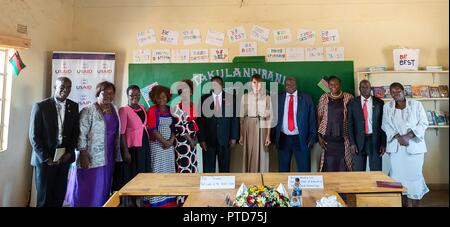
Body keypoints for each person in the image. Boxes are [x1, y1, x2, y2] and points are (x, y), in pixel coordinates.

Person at [66, 81, 122, 207]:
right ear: (97, 94)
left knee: (103, 186)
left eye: (111, 93)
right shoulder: (88, 111)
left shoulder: (114, 110)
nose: (108, 96)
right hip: (90, 156)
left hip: (108, 155)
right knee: (88, 186)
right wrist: (83, 154)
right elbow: (81, 134)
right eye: (104, 93)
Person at [29, 77, 79, 207]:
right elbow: (34, 136)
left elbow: (75, 133)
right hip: (45, 160)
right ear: (55, 87)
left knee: (59, 196)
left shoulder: (73, 106)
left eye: (69, 87)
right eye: (62, 87)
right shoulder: (40, 106)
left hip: (63, 159)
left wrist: (68, 153)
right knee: (44, 199)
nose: (65, 90)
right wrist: (46, 158)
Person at [381, 82, 429, 207]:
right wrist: (398, 137)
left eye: (398, 91)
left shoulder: (416, 104)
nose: (396, 94)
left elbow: (424, 123)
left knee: (415, 179)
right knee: (398, 180)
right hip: (397, 151)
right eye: (393, 92)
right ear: (390, 93)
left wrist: (408, 136)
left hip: (414, 149)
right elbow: (385, 125)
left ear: (404, 91)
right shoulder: (387, 107)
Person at [274, 77, 317, 172]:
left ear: (296, 85)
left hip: (301, 138)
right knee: (283, 170)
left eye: (292, 84)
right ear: (284, 86)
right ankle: (284, 186)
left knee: (304, 169)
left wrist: (313, 137)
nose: (290, 87)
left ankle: (304, 187)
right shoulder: (278, 98)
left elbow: (312, 118)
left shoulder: (306, 98)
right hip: (283, 138)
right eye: (287, 84)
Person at [198, 76, 239, 173]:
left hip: (225, 139)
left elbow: (234, 119)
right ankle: (208, 187)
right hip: (208, 140)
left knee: (224, 168)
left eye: (218, 84)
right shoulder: (204, 99)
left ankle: (225, 188)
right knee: (208, 169)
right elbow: (200, 121)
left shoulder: (231, 98)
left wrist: (233, 137)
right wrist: (202, 139)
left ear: (222, 85)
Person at [115, 85, 151, 191]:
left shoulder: (143, 107)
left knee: (142, 173)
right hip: (132, 148)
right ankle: (130, 201)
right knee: (132, 176)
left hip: (143, 145)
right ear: (127, 96)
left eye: (137, 94)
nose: (134, 97)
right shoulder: (123, 110)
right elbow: (122, 133)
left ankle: (140, 199)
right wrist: (125, 152)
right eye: (131, 95)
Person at [147, 85, 177, 207]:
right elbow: (153, 129)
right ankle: (156, 201)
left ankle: (169, 201)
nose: (161, 100)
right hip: (157, 146)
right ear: (154, 99)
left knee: (169, 172)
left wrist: (171, 141)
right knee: (157, 172)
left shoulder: (171, 109)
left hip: (169, 147)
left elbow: (175, 127)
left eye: (164, 97)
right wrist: (165, 142)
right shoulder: (152, 110)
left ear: (168, 97)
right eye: (158, 98)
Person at [317, 76, 354, 172]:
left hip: (344, 138)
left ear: (340, 84)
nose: (334, 86)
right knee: (329, 165)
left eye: (336, 84)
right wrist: (319, 137)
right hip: (327, 139)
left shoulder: (349, 97)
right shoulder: (324, 97)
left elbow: (352, 118)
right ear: (328, 86)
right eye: (331, 84)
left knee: (344, 165)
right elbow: (319, 117)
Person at [348, 80, 386, 171]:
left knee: (376, 170)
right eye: (362, 87)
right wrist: (352, 143)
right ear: (359, 88)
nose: (365, 89)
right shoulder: (352, 103)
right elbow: (350, 124)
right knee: (358, 171)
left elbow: (384, 124)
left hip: (375, 140)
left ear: (370, 88)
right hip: (358, 142)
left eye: (367, 87)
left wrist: (383, 143)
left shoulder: (379, 103)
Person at [239, 74, 273, 173]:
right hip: (248, 126)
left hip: (262, 126)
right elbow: (241, 118)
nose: (257, 85)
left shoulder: (267, 97)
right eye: (254, 82)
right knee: (249, 152)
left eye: (259, 83)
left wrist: (268, 136)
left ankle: (262, 177)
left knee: (262, 152)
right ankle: (249, 177)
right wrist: (241, 135)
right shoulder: (245, 97)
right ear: (251, 84)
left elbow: (270, 118)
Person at [173, 79, 199, 173]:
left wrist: (195, 138)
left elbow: (194, 123)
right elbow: (180, 127)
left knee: (192, 163)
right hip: (183, 142)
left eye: (189, 91)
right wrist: (190, 140)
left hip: (192, 141)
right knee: (184, 165)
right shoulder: (177, 107)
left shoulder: (192, 105)